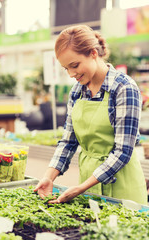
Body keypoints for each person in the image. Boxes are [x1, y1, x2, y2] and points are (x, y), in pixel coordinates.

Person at [34, 25, 147, 205]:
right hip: (88, 185)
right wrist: (49, 176)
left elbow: (123, 152)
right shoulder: (77, 91)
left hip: (122, 186)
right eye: (66, 69)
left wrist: (81, 188)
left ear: (93, 53)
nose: (71, 74)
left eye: (75, 65)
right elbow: (68, 141)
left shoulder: (124, 88)